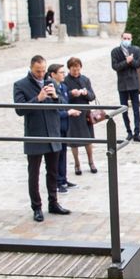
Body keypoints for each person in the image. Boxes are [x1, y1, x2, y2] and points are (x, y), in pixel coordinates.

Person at [13, 55, 71, 222]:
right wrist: (37, 99)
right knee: (34, 173)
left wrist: (54, 96)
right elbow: (19, 109)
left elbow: (62, 103)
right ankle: (36, 207)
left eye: (43, 71)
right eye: (38, 71)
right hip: (35, 134)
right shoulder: (20, 85)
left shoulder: (50, 83)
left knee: (53, 172)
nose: (41, 74)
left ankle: (53, 202)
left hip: (53, 133)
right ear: (31, 68)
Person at [48, 63, 81, 193]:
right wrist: (68, 112)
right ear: (53, 74)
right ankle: (57, 181)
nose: (64, 75)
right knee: (56, 156)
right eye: (61, 72)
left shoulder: (63, 87)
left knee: (63, 154)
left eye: (63, 72)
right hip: (56, 126)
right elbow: (53, 111)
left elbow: (65, 104)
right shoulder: (50, 89)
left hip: (65, 125)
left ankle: (63, 178)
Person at [63, 57, 98, 175]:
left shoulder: (85, 79)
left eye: (78, 69)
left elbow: (92, 96)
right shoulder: (65, 81)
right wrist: (71, 94)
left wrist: (86, 93)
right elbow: (62, 97)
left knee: (88, 139)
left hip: (85, 111)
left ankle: (91, 161)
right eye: (74, 70)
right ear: (69, 69)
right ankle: (77, 164)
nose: (76, 72)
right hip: (72, 112)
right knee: (74, 140)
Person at [111, 32, 140, 142]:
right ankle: (129, 131)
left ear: (131, 39)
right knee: (124, 109)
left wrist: (131, 62)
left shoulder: (136, 50)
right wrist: (126, 62)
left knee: (136, 109)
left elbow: (138, 64)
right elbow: (115, 66)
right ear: (121, 38)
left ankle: (137, 132)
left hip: (134, 83)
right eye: (125, 38)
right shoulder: (115, 51)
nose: (126, 40)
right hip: (122, 84)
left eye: (128, 38)